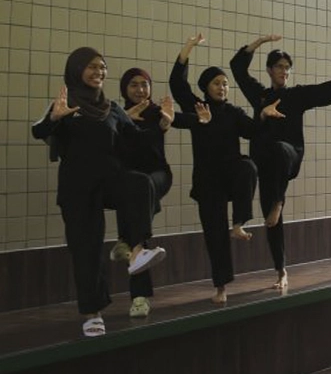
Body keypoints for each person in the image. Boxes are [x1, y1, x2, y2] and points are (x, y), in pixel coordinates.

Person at [32, 48, 168, 337]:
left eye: (103, 67)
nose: (99, 72)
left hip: (109, 180)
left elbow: (138, 139)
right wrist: (55, 119)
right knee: (87, 250)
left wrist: (162, 125)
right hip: (77, 188)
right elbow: (38, 130)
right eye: (92, 67)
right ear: (77, 69)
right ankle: (92, 314)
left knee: (140, 183)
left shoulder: (112, 108)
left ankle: (138, 252)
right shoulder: (64, 102)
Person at [230, 36, 331, 289]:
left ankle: (279, 201)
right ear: (270, 70)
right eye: (279, 67)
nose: (284, 71)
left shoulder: (296, 96)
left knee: (280, 151)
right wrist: (258, 43)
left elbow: (320, 92)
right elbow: (237, 69)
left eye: (287, 67)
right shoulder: (260, 96)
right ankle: (281, 271)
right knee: (272, 222)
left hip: (290, 155)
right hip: (267, 165)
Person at [169, 34, 259, 304]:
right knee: (214, 235)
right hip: (208, 181)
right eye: (217, 83)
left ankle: (239, 222)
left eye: (225, 83)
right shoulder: (197, 108)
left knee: (248, 167)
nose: (222, 87)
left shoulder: (234, 112)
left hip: (231, 174)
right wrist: (188, 48)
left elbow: (253, 131)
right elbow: (177, 83)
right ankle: (221, 288)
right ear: (206, 87)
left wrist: (265, 113)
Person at [106, 68, 176, 318]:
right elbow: (111, 148)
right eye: (134, 85)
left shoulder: (158, 113)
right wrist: (123, 120)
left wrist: (164, 124)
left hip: (158, 175)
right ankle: (138, 294)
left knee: (142, 186)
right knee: (137, 197)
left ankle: (127, 243)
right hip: (130, 180)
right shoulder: (115, 113)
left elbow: (148, 146)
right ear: (125, 89)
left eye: (144, 85)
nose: (140, 90)